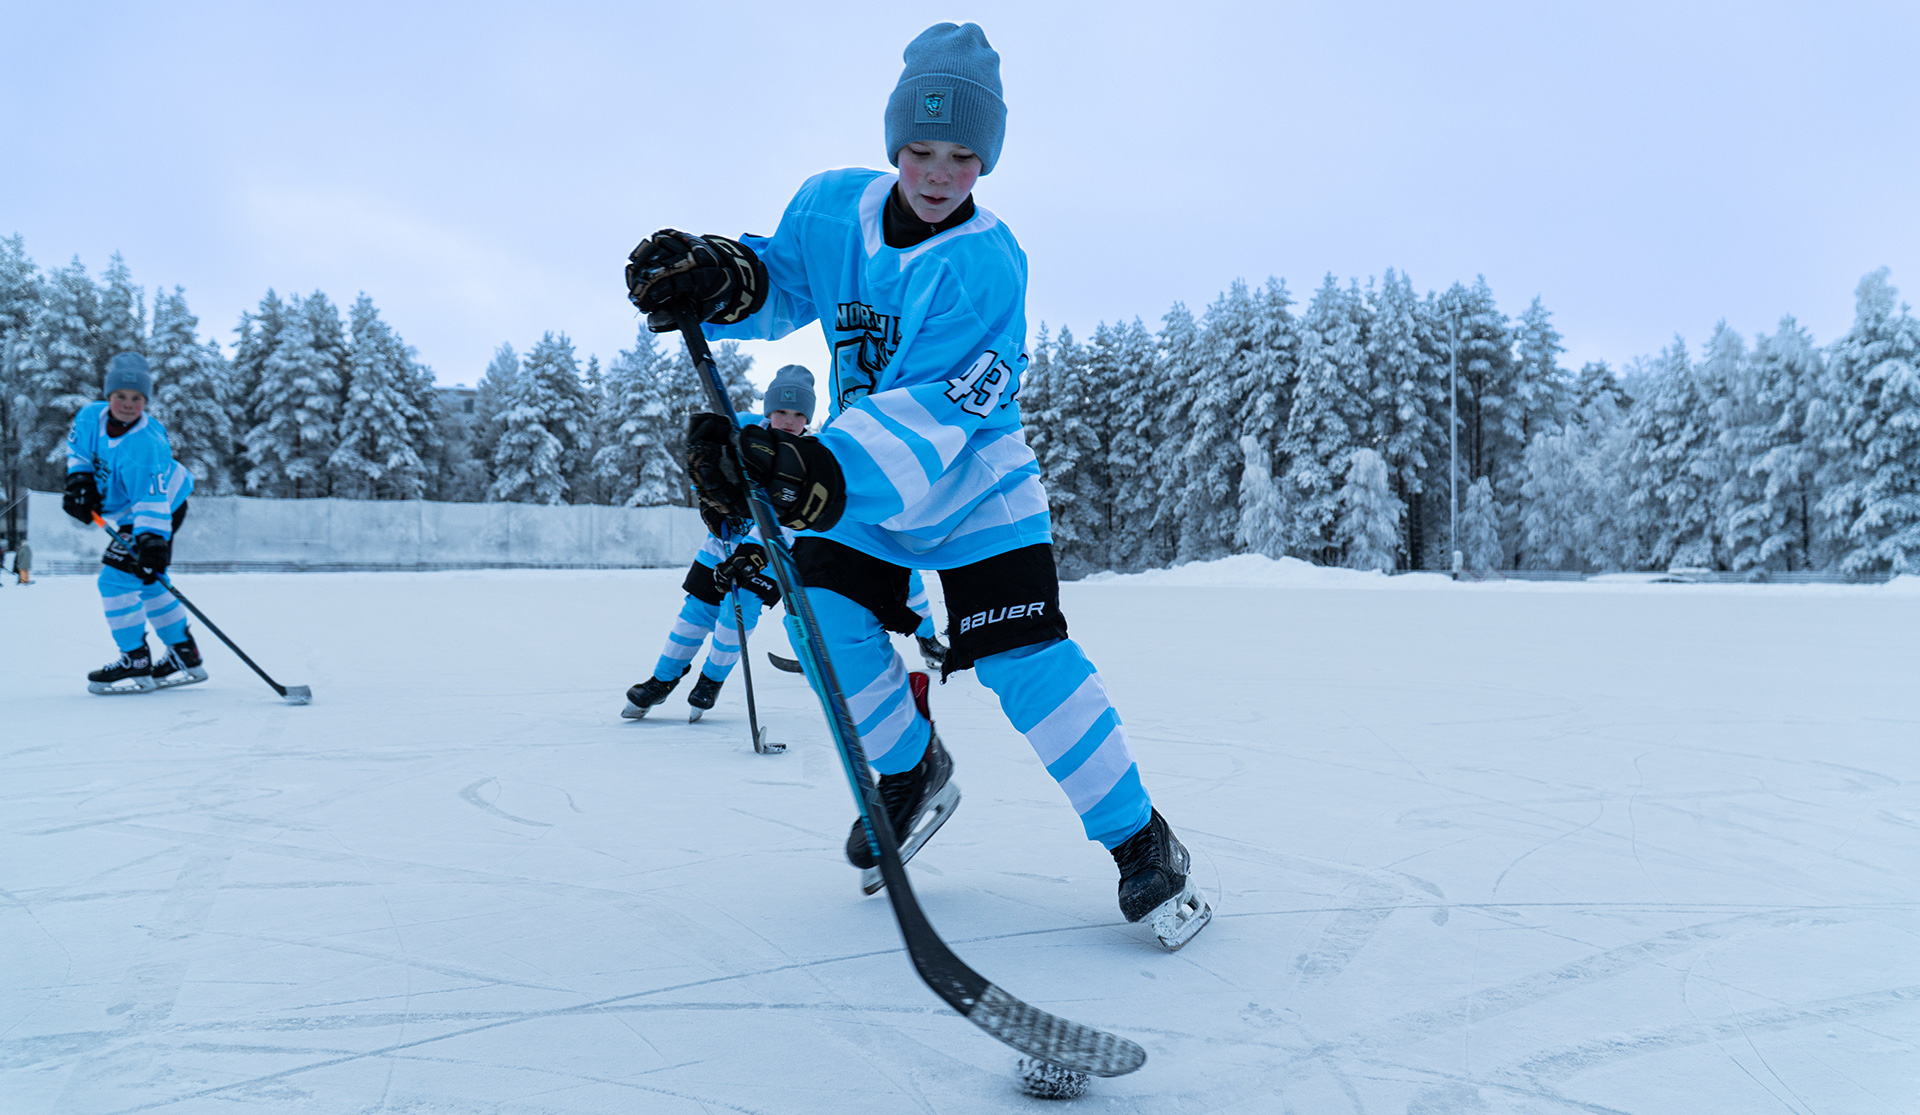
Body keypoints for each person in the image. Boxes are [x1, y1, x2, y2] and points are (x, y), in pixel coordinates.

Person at [624, 23, 1209, 948]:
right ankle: (908, 769)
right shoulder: (830, 209)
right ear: (895, 141)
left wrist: (814, 473)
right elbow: (781, 279)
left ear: (988, 161)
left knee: (1024, 661)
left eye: (963, 157)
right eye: (922, 150)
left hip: (973, 481)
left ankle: (1141, 838)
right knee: (817, 615)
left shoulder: (986, 264)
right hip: (862, 479)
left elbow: (935, 409)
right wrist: (724, 277)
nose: (939, 174)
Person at [621, 365, 811, 722]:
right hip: (720, 545)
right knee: (695, 614)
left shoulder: (808, 456)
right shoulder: (744, 432)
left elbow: (792, 517)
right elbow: (707, 467)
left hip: (766, 557)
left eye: (799, 414)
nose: (789, 420)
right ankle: (662, 680)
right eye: (782, 410)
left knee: (736, 616)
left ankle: (711, 681)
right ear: (769, 409)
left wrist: (753, 553)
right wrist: (708, 503)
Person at [63, 352, 204, 694]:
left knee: (114, 580)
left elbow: (150, 500)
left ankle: (135, 659)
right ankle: (185, 654)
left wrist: (152, 541)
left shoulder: (145, 445)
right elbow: (78, 454)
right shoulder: (89, 416)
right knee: (149, 580)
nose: (128, 404)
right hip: (132, 509)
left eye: (137, 398)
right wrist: (79, 482)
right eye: (121, 396)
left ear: (146, 401)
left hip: (158, 509)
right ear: (108, 395)